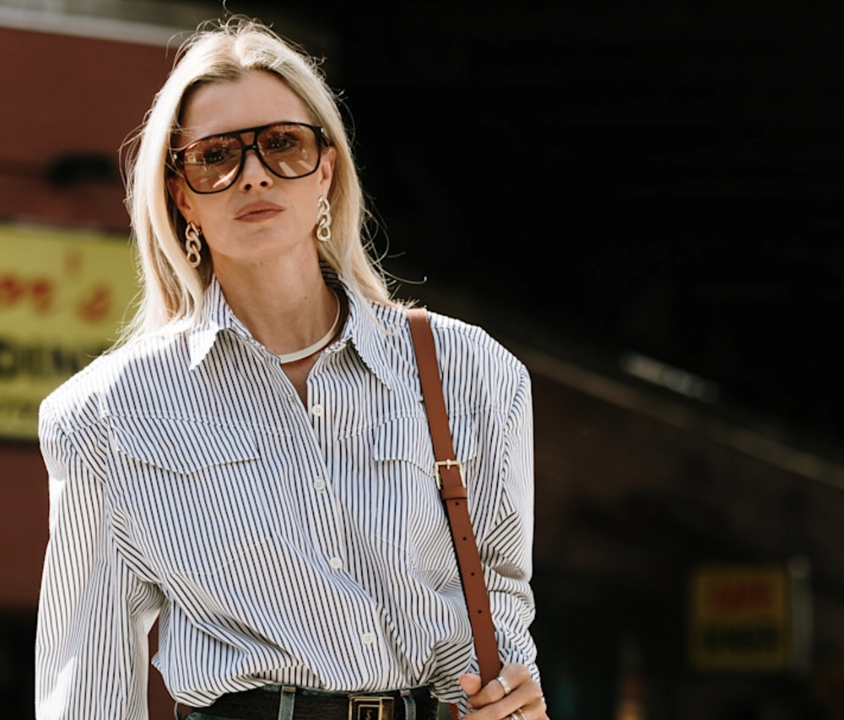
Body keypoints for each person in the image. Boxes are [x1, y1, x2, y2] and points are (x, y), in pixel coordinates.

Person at [35, 18, 546, 720]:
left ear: (326, 172)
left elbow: (497, 593)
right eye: (215, 156)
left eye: (283, 144)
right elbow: (86, 676)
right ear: (181, 194)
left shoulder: (471, 372)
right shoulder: (105, 416)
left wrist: (508, 687)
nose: (253, 173)